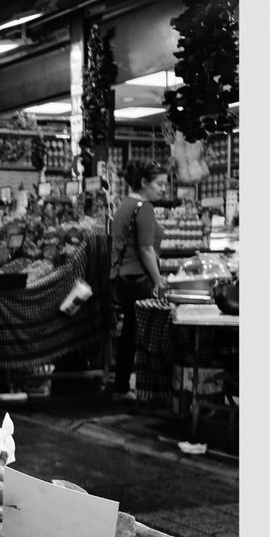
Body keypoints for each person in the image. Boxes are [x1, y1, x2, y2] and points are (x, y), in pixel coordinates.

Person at [109, 158, 171, 399]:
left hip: (123, 278)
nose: (163, 189)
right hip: (137, 279)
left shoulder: (125, 204)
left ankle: (122, 385)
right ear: (144, 182)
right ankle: (127, 387)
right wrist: (158, 281)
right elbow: (146, 250)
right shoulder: (143, 207)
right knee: (138, 335)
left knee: (129, 334)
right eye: (159, 184)